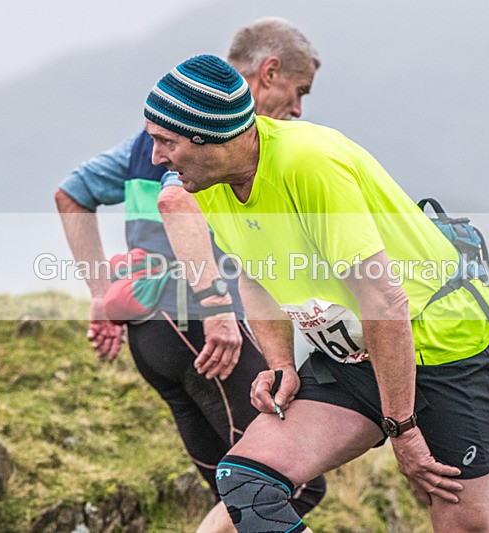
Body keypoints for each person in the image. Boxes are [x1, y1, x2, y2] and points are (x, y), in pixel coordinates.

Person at [143, 55, 489, 533]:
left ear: (210, 137)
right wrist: (281, 365)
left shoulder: (308, 163)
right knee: (247, 483)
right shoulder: (208, 180)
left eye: (165, 141)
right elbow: (256, 275)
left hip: (437, 346)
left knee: (467, 527)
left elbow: (385, 302)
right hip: (350, 356)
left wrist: (402, 427)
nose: (155, 157)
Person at [55, 19, 325, 532]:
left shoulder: (146, 142)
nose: (298, 109)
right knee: (296, 483)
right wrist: (220, 310)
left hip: (152, 336)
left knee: (235, 492)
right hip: (205, 330)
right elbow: (177, 203)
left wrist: (99, 294)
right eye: (298, 91)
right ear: (269, 73)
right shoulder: (209, 146)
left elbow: (71, 193)